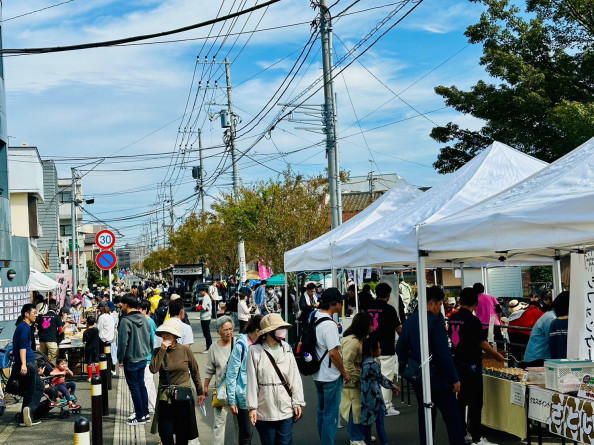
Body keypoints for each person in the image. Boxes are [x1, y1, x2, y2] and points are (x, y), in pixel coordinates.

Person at [396, 286, 465, 445]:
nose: (440, 308)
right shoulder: (435, 322)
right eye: (440, 304)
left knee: (426, 415)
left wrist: (412, 366)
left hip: (419, 378)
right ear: (433, 303)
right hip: (440, 380)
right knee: (453, 418)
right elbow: (444, 354)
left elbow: (400, 349)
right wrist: (454, 379)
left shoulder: (410, 321)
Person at [448, 287, 505, 445]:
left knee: (461, 401)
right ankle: (477, 437)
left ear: (460, 300)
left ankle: (463, 432)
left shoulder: (453, 318)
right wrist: (497, 355)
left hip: (457, 363)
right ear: (476, 301)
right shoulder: (473, 320)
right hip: (472, 365)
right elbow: (482, 343)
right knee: (475, 402)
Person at [246, 313, 305, 445]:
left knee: (285, 443)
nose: (282, 331)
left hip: (286, 407)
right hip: (264, 409)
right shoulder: (254, 351)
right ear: (269, 332)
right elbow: (251, 382)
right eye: (279, 328)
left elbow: (294, 378)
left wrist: (297, 402)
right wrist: (252, 408)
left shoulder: (287, 349)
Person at [149, 319, 205, 445]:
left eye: (168, 333)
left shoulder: (185, 350)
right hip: (165, 397)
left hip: (183, 396)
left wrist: (200, 392)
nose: (165, 335)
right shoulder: (157, 351)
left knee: (182, 434)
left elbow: (195, 371)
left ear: (175, 336)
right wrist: (162, 350)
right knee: (165, 434)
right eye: (163, 333)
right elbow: (153, 369)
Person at [313, 288, 351, 445]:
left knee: (322, 412)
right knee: (331, 415)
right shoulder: (329, 325)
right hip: (330, 375)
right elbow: (334, 353)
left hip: (317, 373)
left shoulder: (315, 317)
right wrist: (344, 372)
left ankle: (324, 441)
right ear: (333, 303)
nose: (342, 304)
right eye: (340, 301)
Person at [226, 314, 264, 445]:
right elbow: (231, 374)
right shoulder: (241, 346)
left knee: (266, 434)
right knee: (246, 435)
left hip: (263, 396)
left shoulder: (263, 344)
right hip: (244, 398)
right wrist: (232, 400)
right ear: (258, 331)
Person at [367, 282, 401, 416]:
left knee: (372, 378)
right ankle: (385, 407)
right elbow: (399, 329)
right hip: (386, 348)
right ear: (388, 295)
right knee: (386, 377)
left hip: (370, 348)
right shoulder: (390, 309)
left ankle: (373, 404)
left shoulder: (369, 308)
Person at [117, 294, 152, 426]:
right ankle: (145, 413)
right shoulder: (143, 318)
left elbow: (122, 343)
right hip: (143, 357)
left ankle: (139, 415)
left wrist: (120, 359)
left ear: (126, 304)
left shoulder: (126, 321)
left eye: (122, 303)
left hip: (131, 358)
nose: (121, 306)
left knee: (134, 387)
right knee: (141, 385)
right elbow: (147, 337)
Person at [204, 316, 239, 444]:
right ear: (218, 331)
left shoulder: (238, 344)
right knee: (218, 425)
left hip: (237, 391)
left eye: (231, 329)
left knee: (239, 425)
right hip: (221, 391)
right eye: (225, 330)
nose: (229, 332)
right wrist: (205, 387)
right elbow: (209, 369)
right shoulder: (213, 348)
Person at [340, 313, 373, 445]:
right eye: (371, 324)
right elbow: (347, 363)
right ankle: (355, 438)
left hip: (353, 380)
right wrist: (357, 378)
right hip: (351, 381)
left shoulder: (355, 339)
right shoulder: (354, 342)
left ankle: (359, 436)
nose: (373, 327)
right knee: (354, 409)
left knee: (356, 409)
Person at [360, 337, 400, 445]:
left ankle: (368, 442)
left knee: (367, 425)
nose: (380, 349)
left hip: (365, 398)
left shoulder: (363, 363)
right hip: (375, 398)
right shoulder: (373, 365)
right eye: (378, 348)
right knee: (380, 424)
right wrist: (393, 387)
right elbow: (381, 379)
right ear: (372, 351)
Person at [13, 304, 43, 426]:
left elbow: (18, 345)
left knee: (34, 389)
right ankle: (29, 410)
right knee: (33, 390)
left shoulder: (21, 326)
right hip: (29, 363)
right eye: (34, 312)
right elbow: (23, 347)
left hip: (27, 362)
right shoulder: (25, 327)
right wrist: (24, 364)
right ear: (26, 314)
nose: (36, 315)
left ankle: (24, 417)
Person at [523, 291, 569, 366]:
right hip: (536, 361)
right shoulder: (551, 319)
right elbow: (556, 341)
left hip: (538, 359)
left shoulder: (551, 316)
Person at [140, 300, 158, 414]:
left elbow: (154, 340)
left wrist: (155, 356)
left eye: (140, 309)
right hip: (144, 357)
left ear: (145, 310)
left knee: (147, 382)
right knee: (149, 382)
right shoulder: (143, 321)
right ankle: (153, 405)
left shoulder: (150, 322)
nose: (138, 311)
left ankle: (146, 407)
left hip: (148, 357)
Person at [549, 291, 570, 359]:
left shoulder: (555, 323)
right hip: (577, 363)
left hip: (558, 363)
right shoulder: (576, 323)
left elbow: (552, 347)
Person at [83, 316, 100, 381]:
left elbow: (84, 342)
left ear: (87, 322)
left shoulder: (86, 332)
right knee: (96, 362)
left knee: (89, 363)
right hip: (96, 348)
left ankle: (90, 376)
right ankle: (98, 375)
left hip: (88, 349)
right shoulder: (96, 330)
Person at [197, 288, 212, 353]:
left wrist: (199, 307)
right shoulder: (206, 297)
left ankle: (209, 347)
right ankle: (209, 347)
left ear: (203, 291)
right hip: (207, 316)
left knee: (206, 333)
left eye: (201, 291)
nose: (200, 293)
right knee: (206, 333)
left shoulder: (205, 298)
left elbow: (204, 307)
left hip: (205, 317)